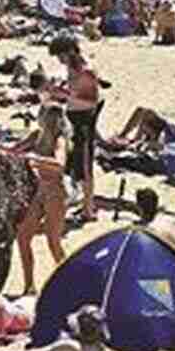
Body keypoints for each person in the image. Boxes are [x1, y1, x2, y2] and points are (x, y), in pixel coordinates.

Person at [0, 106, 68, 294]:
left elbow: (60, 164)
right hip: (37, 191)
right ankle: (29, 286)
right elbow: (14, 150)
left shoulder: (60, 140)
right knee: (23, 237)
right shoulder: (36, 135)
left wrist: (35, 158)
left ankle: (70, 279)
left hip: (55, 193)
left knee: (53, 242)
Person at [49, 35, 102, 222]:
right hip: (74, 117)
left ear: (70, 51)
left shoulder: (87, 71)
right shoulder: (72, 68)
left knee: (86, 167)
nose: (60, 60)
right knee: (75, 165)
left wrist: (65, 95)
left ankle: (89, 210)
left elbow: (91, 101)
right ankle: (85, 204)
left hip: (84, 121)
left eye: (61, 56)